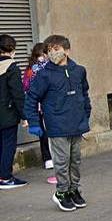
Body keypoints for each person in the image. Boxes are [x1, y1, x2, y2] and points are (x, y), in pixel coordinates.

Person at [24, 35, 91, 211]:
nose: (52, 53)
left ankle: (73, 189)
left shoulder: (79, 71)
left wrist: (86, 114)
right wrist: (33, 122)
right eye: (49, 50)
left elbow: (84, 94)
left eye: (56, 49)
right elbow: (31, 98)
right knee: (62, 161)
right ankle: (61, 192)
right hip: (57, 125)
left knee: (75, 161)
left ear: (67, 50)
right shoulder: (44, 75)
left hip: (76, 124)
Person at [23, 42, 55, 183]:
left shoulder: (52, 67)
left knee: (52, 131)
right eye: (39, 55)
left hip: (50, 104)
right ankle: (47, 158)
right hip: (37, 105)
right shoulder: (30, 71)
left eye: (43, 55)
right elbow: (26, 86)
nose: (41, 58)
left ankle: (54, 156)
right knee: (42, 133)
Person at [0, 34, 26, 189]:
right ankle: (5, 177)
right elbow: (17, 94)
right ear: (12, 49)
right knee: (8, 144)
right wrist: (24, 115)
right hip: (8, 113)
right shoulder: (12, 68)